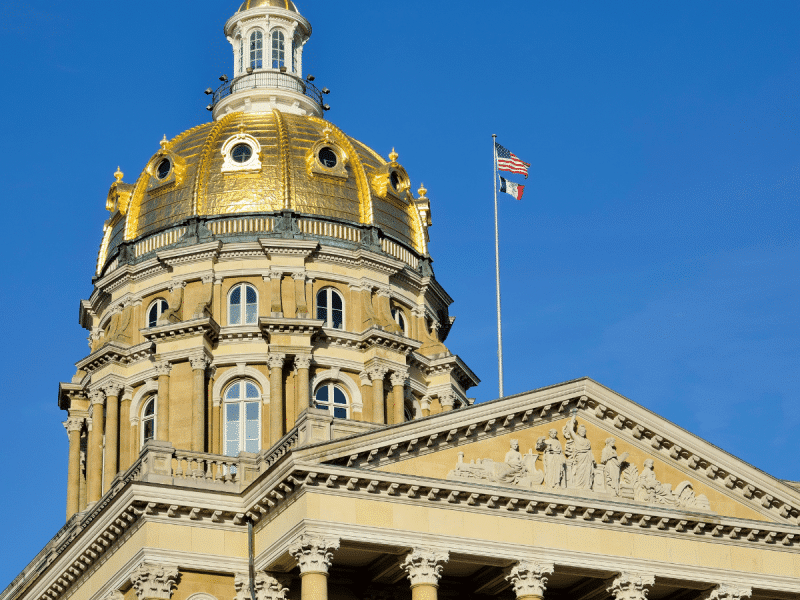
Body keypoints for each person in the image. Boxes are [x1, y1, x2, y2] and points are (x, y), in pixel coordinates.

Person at [563, 416, 594, 490]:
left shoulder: (587, 441)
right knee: (579, 471)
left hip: (587, 458)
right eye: (581, 431)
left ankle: (586, 486)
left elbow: (589, 451)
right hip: (580, 458)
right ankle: (579, 485)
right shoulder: (576, 438)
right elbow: (571, 430)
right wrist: (573, 418)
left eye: (584, 431)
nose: (583, 432)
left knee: (587, 472)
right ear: (578, 432)